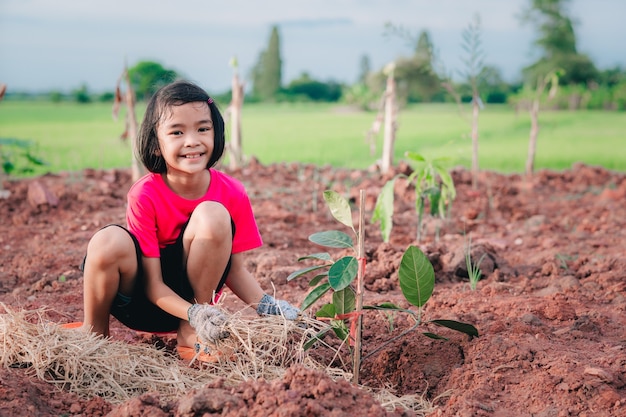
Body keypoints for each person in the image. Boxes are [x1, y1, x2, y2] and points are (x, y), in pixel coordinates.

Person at [70, 80, 299, 362]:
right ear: (156, 144)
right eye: (177, 132)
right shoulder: (145, 194)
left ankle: (191, 334)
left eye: (203, 129)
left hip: (200, 313)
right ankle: (93, 332)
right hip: (143, 302)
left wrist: (267, 305)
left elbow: (234, 270)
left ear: (216, 133)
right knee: (107, 241)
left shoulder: (232, 193)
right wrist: (192, 311)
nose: (192, 141)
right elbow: (153, 285)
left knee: (213, 215)